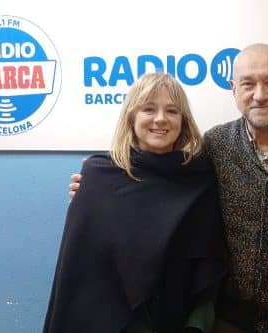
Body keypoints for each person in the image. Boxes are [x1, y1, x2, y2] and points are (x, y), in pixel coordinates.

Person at [70, 43, 268, 332]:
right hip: (225, 321)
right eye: (248, 84)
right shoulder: (214, 145)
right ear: (233, 89)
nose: (260, 95)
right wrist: (101, 191)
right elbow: (165, 184)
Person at [45, 73, 225, 333]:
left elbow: (207, 270)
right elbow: (79, 274)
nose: (160, 119)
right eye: (148, 109)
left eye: (172, 111)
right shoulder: (99, 176)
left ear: (183, 120)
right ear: (132, 117)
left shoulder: (199, 179)